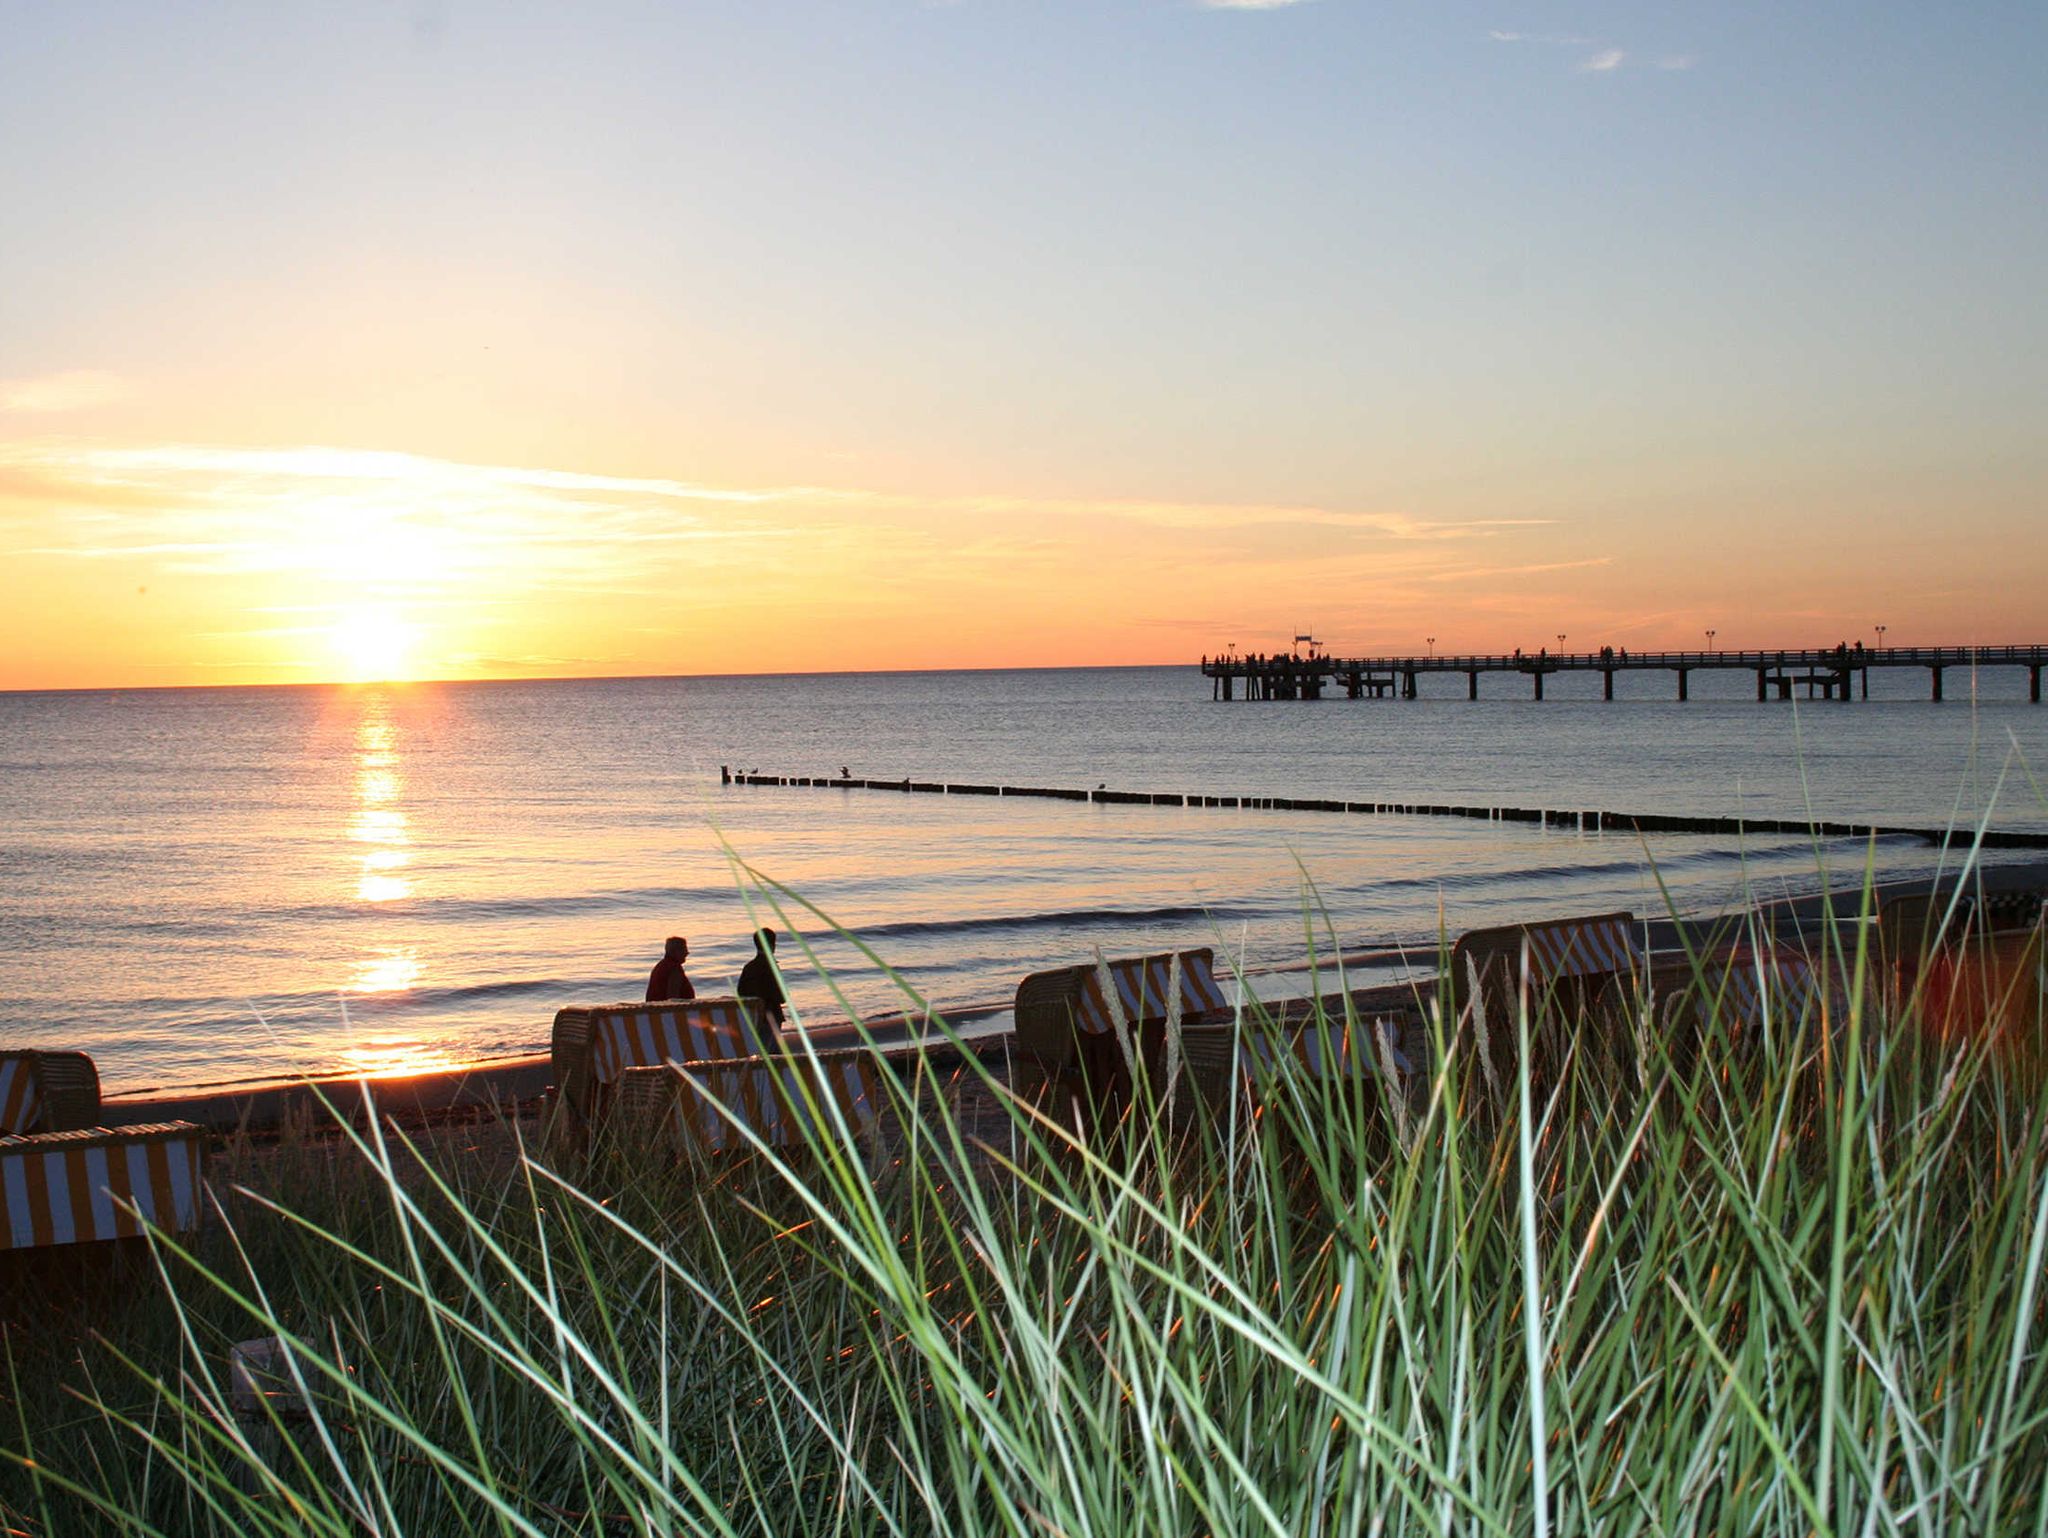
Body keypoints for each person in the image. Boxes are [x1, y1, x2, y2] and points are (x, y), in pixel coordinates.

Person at [737, 927, 786, 1045]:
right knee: (773, 1052)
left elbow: (740, 992)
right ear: (771, 945)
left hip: (754, 1017)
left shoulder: (749, 967)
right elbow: (780, 996)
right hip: (771, 1016)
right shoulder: (771, 966)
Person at [646, 936, 695, 1002]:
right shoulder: (674, 968)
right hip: (668, 1011)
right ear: (675, 951)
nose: (687, 953)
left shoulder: (661, 965)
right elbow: (673, 999)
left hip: (655, 1010)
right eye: (684, 949)